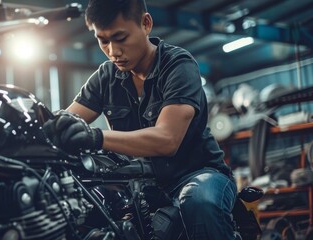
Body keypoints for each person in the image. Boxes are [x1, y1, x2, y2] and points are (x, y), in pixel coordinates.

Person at [43, 0, 237, 239]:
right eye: (103, 40)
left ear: (146, 24)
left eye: (120, 37)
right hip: (141, 185)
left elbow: (167, 140)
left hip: (195, 174)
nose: (113, 51)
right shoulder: (106, 77)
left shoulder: (178, 66)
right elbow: (66, 122)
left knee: (199, 202)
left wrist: (95, 137)